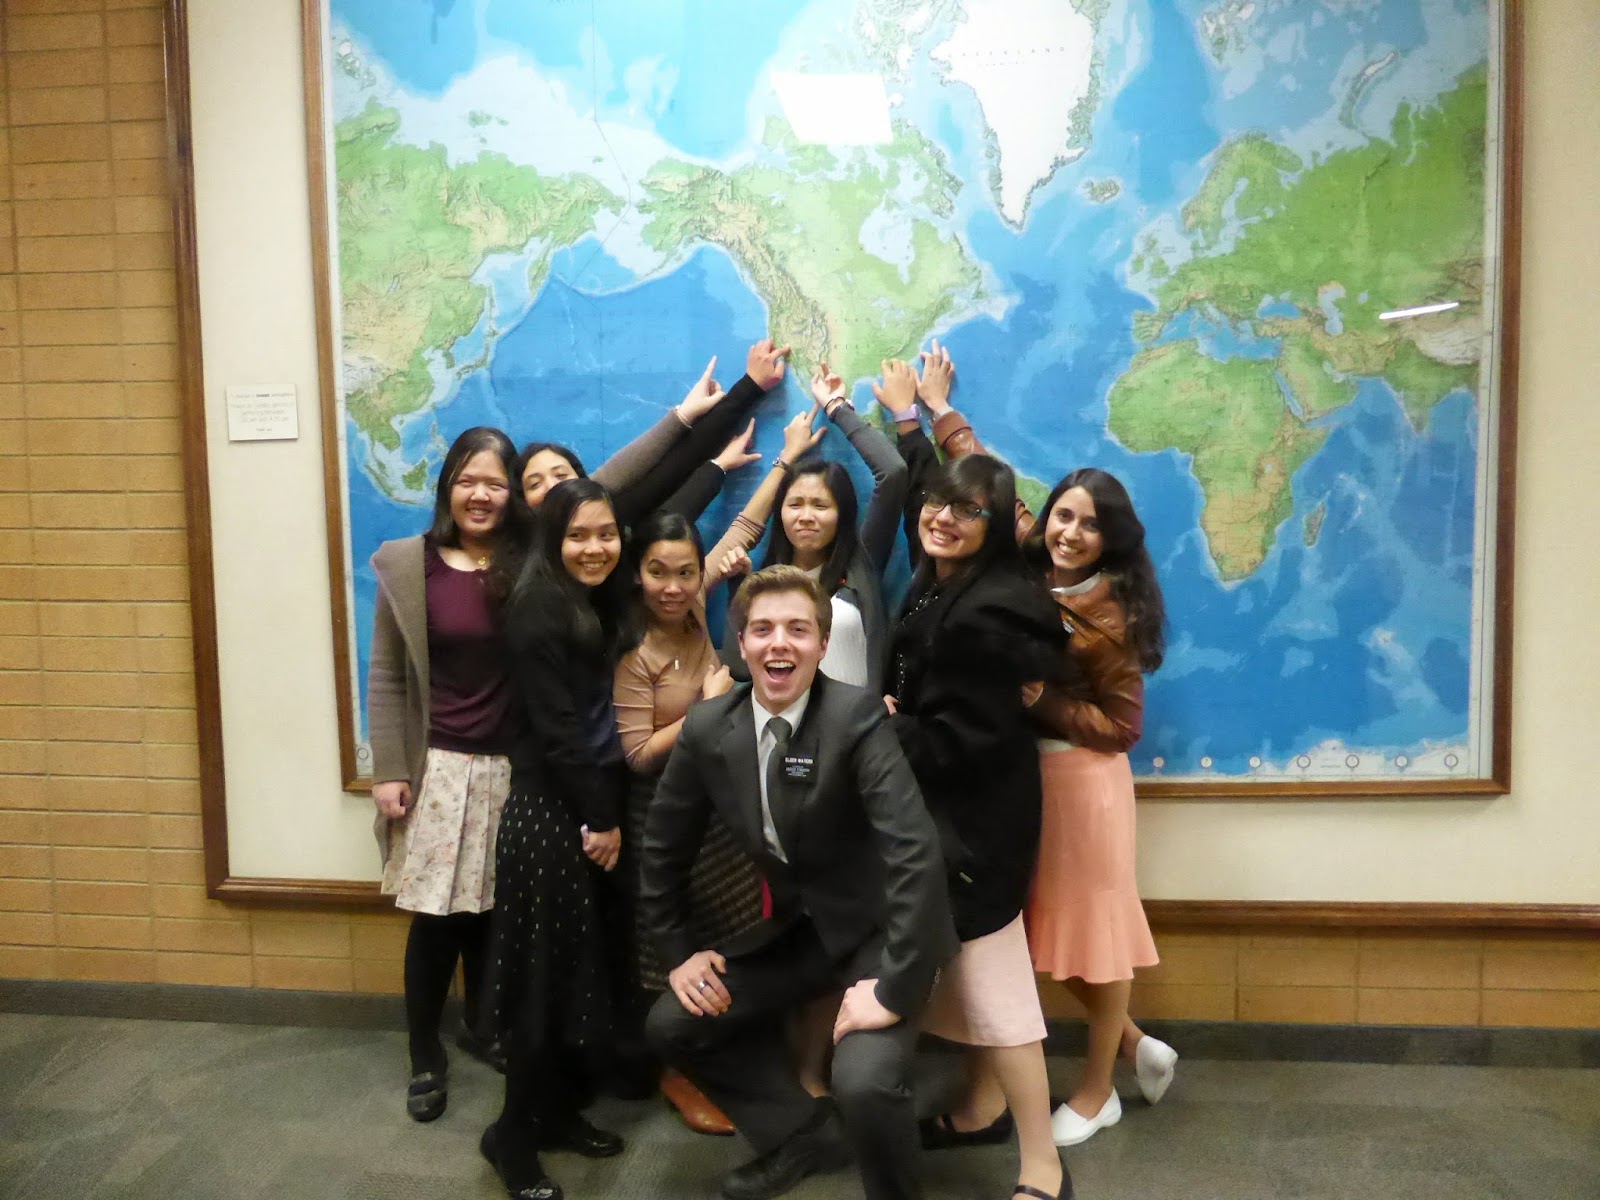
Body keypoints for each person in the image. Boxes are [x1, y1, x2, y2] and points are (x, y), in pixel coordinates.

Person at [640, 566, 957, 1200]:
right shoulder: (708, 728)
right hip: (803, 932)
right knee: (674, 1021)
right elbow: (662, 849)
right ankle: (802, 1136)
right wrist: (677, 952)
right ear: (741, 644)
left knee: (864, 1081)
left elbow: (914, 855)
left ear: (821, 643)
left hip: (882, 929)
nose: (778, 643)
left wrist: (894, 988)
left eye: (797, 629)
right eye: (762, 629)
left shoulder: (856, 716)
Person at [612, 412, 828, 1135]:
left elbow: (740, 532)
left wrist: (782, 461)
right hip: (660, 811)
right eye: (658, 572)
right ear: (636, 574)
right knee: (672, 945)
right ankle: (679, 1069)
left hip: (721, 806)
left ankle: (731, 1052)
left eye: (685, 572)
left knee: (733, 930)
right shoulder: (635, 651)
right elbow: (635, 754)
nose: (675, 586)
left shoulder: (695, 609)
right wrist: (704, 711)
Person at [886, 453, 1071, 1200]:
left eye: (967, 511)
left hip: (977, 827)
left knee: (1000, 993)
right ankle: (979, 1109)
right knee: (967, 979)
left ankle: (1044, 1166)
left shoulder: (988, 613)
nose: (943, 518)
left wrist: (887, 725)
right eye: (937, 501)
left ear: (994, 528)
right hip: (959, 814)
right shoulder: (946, 583)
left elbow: (962, 742)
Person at [479, 478, 630, 1200]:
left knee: (573, 975)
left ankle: (556, 1113)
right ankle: (510, 1137)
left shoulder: (582, 598)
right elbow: (559, 732)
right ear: (551, 538)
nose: (595, 547)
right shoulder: (538, 604)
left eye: (606, 533)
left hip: (577, 804)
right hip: (548, 814)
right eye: (578, 535)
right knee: (541, 984)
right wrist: (602, 819)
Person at [368, 426, 524, 1122]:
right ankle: (424, 1050)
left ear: (514, 492)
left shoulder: (528, 561)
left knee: (491, 916)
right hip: (439, 771)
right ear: (447, 488)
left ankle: (482, 1026)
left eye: (495, 482)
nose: (480, 494)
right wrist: (389, 769)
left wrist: (690, 422)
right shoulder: (410, 564)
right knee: (435, 922)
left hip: (511, 772)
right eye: (467, 480)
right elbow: (386, 674)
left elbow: (608, 487)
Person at [1020, 469, 1176, 1145]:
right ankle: (1136, 1043)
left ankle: (1097, 1093)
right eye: (1063, 515)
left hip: (1085, 786)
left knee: (1099, 944)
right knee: (1038, 935)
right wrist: (938, 422)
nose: (1070, 533)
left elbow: (1123, 729)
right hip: (1034, 780)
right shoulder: (1035, 572)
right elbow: (994, 496)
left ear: (1110, 539)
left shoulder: (1111, 615)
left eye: (1090, 524)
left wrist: (1042, 701)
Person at [721, 360, 910, 693]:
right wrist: (739, 585)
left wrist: (837, 407)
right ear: (780, 512)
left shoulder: (860, 563)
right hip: (787, 721)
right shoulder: (764, 577)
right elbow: (738, 667)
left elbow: (893, 472)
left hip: (857, 721)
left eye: (820, 506)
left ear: (841, 514)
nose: (806, 516)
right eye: (795, 504)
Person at [517, 339, 792, 521]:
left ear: (582, 480)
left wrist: (748, 387)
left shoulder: (611, 516)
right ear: (521, 500)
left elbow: (675, 466)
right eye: (534, 484)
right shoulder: (524, 560)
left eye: (561, 475)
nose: (552, 486)